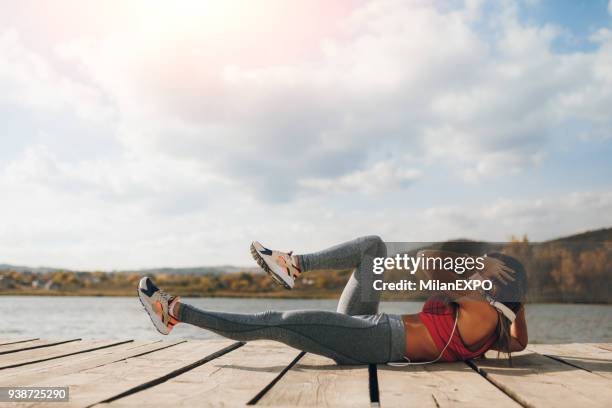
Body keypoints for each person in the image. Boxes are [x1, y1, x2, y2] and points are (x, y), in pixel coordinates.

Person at [137, 236, 528, 365]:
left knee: (277, 321)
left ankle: (173, 312)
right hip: (373, 327)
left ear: (497, 287)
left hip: (372, 341)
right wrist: (519, 306)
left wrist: (481, 262)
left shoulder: (481, 310)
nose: (475, 273)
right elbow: (520, 342)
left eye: (484, 273)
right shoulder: (493, 330)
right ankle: (293, 265)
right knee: (374, 247)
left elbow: (426, 265)